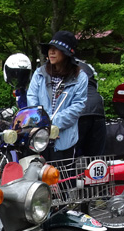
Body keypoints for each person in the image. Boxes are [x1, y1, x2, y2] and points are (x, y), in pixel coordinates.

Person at [27, 31, 88, 161]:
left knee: (63, 179)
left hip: (64, 139)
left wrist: (52, 124)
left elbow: (77, 106)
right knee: (38, 178)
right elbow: (32, 98)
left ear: (66, 54)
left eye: (57, 49)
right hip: (40, 138)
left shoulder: (80, 77)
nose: (51, 52)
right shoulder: (40, 73)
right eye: (50, 48)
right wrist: (41, 123)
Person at [77, 60, 107, 157]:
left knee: (69, 156)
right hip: (97, 109)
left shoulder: (60, 67)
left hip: (79, 112)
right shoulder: (87, 66)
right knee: (95, 156)